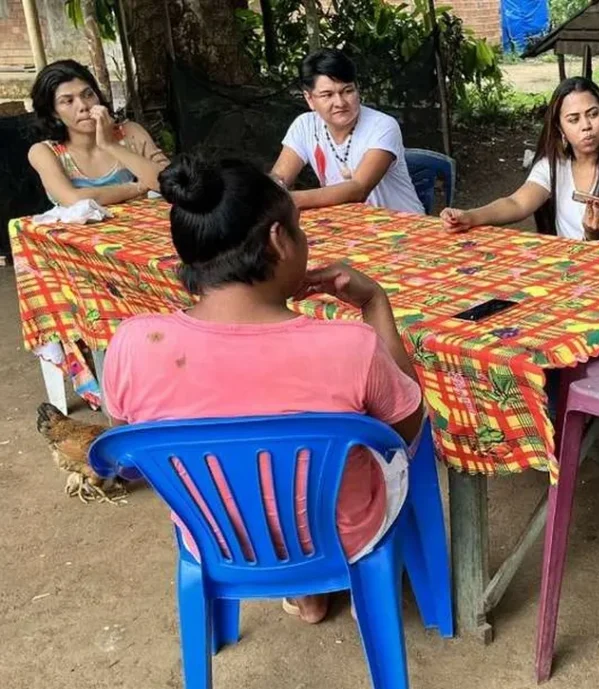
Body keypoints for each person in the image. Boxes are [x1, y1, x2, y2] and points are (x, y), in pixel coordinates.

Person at [101, 155, 425, 624]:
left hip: (214, 534)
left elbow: (129, 457)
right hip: (339, 537)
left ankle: (307, 597)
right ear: (278, 240)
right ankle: (349, 585)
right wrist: (375, 304)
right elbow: (407, 431)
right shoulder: (349, 346)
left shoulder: (133, 343)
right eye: (298, 228)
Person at [440, 76, 599, 250]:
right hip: (581, 270)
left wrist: (592, 235)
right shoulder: (554, 165)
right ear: (560, 128)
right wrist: (469, 216)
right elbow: (516, 204)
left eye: (593, 114)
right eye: (573, 119)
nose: (586, 126)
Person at [271, 48, 424, 213]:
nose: (340, 102)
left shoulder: (383, 125)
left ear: (358, 89)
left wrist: (289, 199)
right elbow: (279, 176)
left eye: (347, 91)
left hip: (403, 228)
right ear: (310, 99)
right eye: (327, 95)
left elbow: (358, 188)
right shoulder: (304, 125)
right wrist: (274, 189)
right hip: (347, 226)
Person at [28, 59, 169, 207]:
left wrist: (110, 145)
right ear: (53, 112)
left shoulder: (130, 132)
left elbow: (171, 181)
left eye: (88, 95)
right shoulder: (45, 152)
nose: (83, 106)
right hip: (79, 230)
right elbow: (73, 200)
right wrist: (138, 188)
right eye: (68, 101)